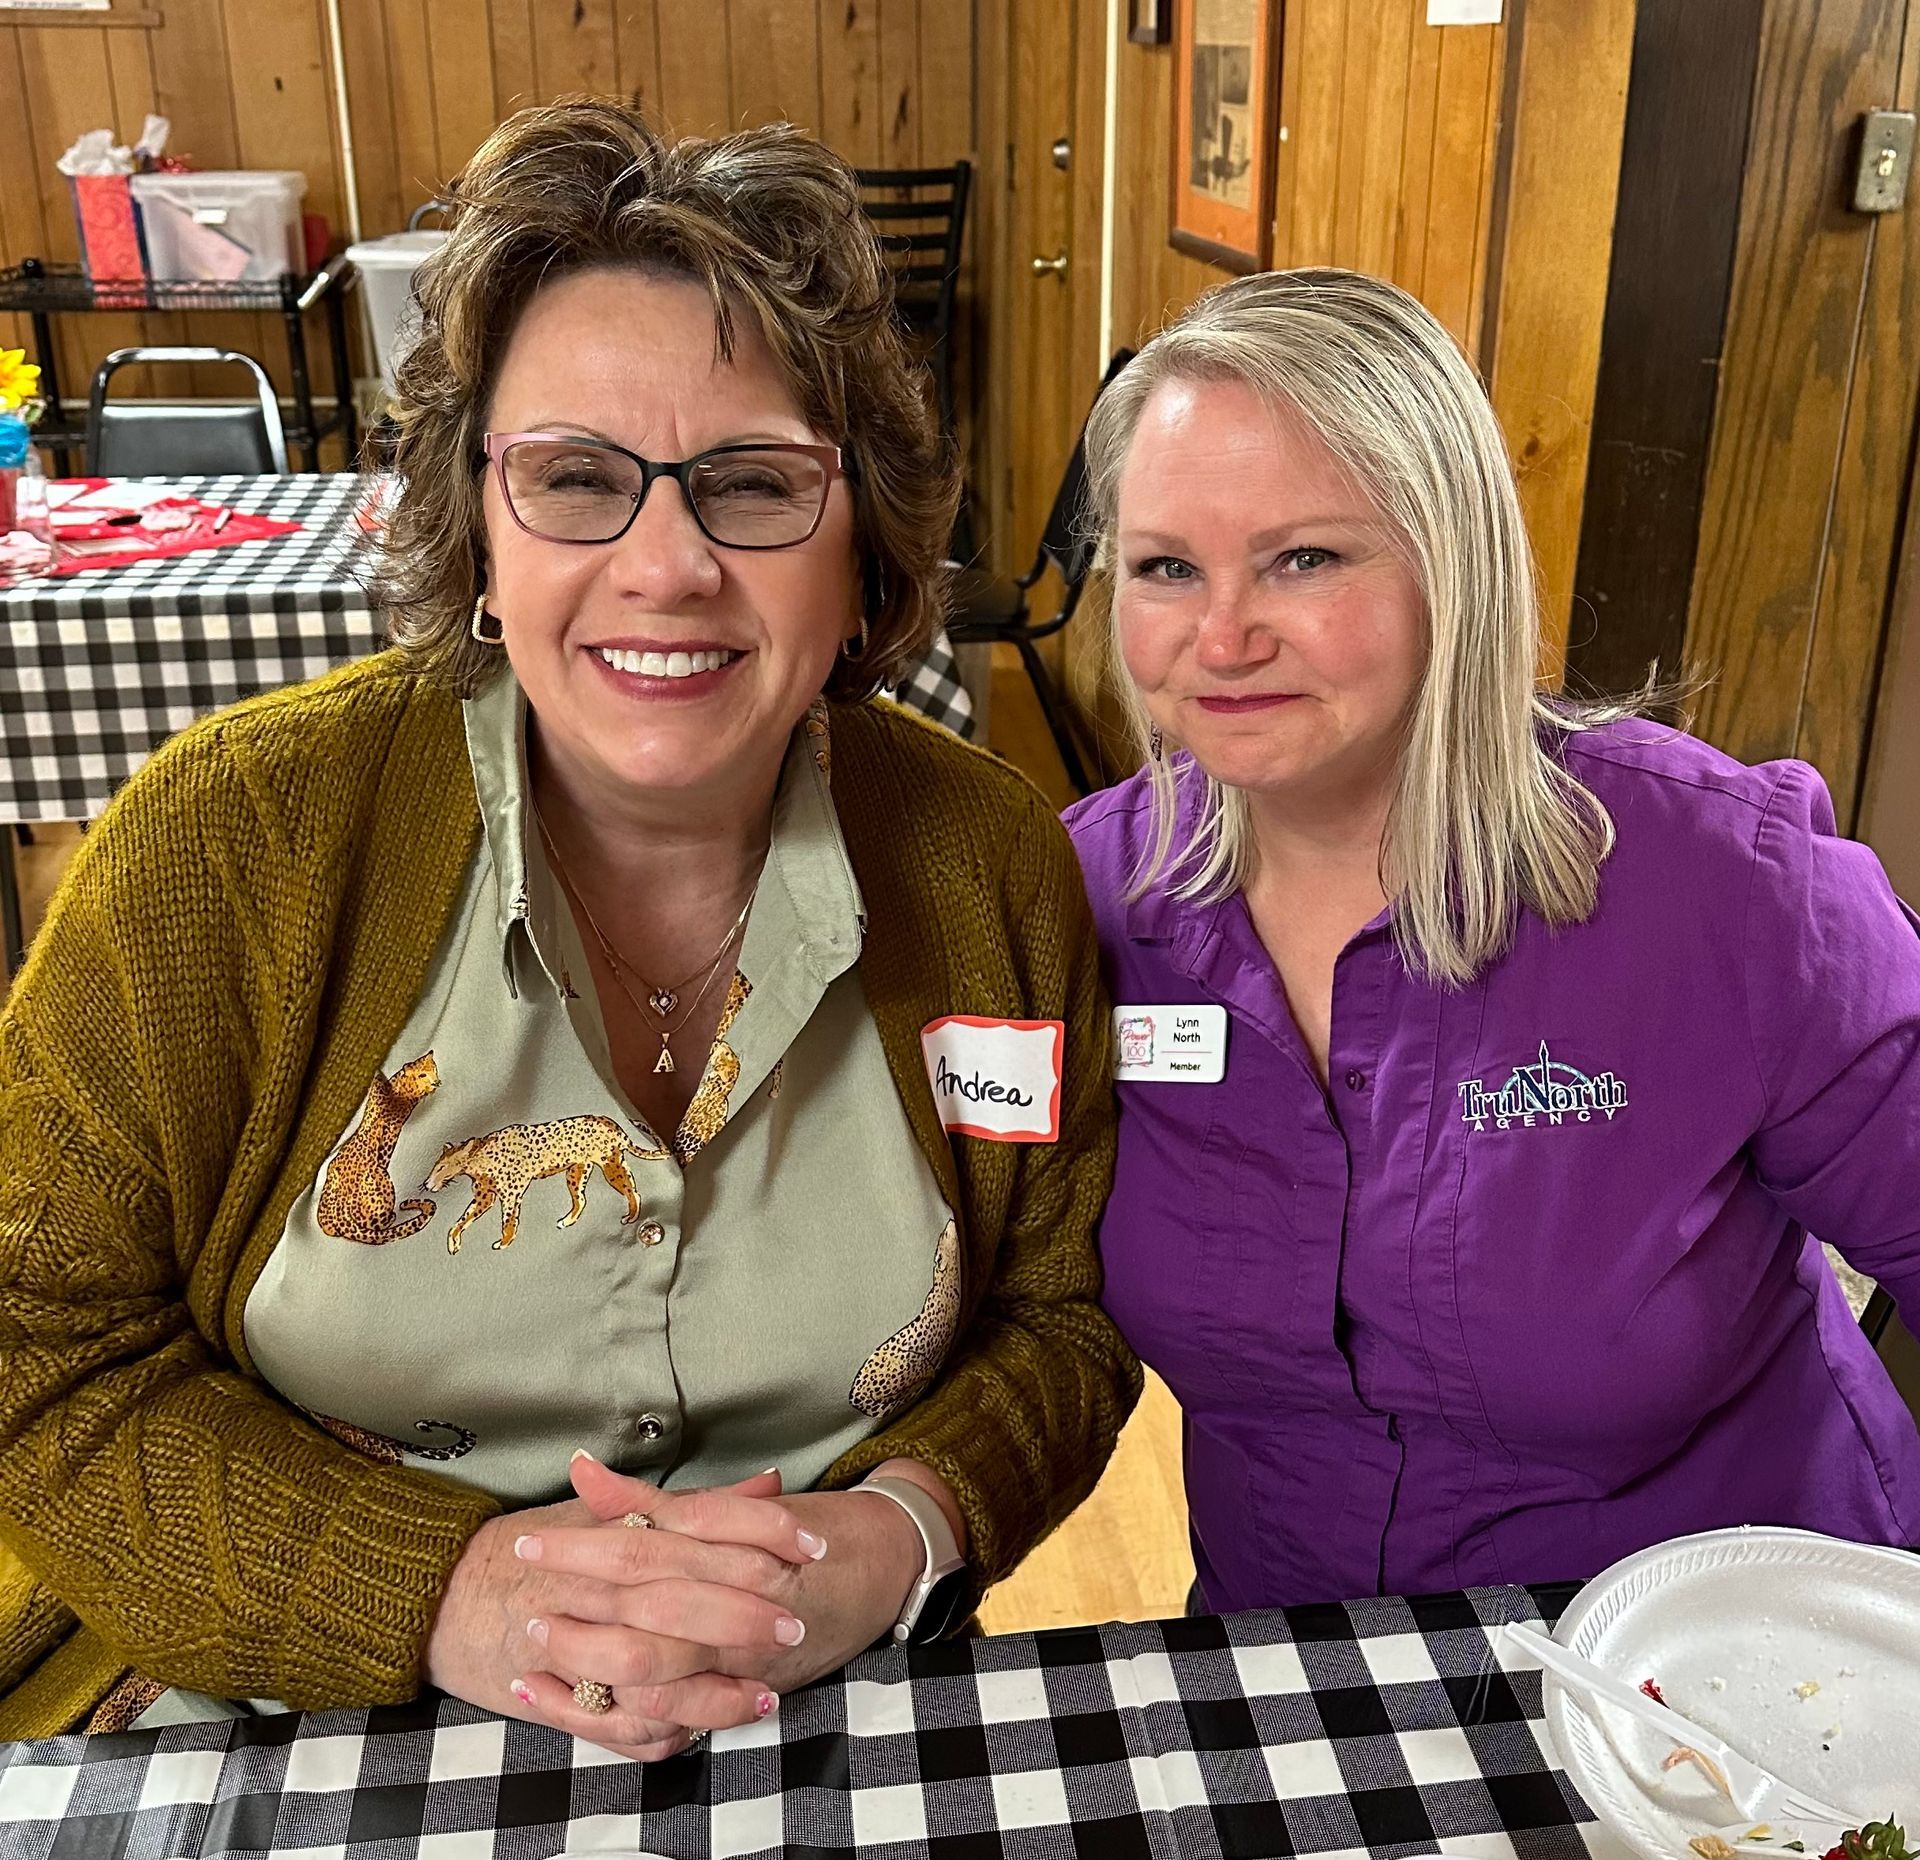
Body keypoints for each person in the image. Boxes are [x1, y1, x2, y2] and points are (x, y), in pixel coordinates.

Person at [0, 102, 1137, 1754]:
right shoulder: (233, 844)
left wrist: (900, 1533)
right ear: (477, 532)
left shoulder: (989, 867)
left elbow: (1065, 1309)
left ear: (862, 553)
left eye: (752, 484)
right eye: (577, 479)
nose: (664, 565)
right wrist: (442, 1592)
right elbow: (34, 1344)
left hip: (829, 1706)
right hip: (261, 1709)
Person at [1064, 267, 1920, 1613]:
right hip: (1297, 1650)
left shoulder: (1730, 887)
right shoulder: (1080, 904)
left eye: (1305, 558)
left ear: (1449, 560)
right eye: (1168, 567)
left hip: (1742, 1664)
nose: (1220, 636)